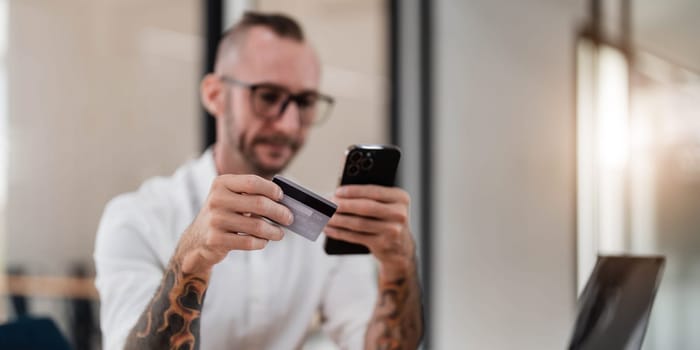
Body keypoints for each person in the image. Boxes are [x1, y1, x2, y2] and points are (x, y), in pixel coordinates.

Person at [94, 12, 423, 350]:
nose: (289, 125)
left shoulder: (324, 228)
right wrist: (191, 260)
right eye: (267, 96)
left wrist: (399, 266)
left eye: (305, 102)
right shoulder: (136, 218)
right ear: (214, 94)